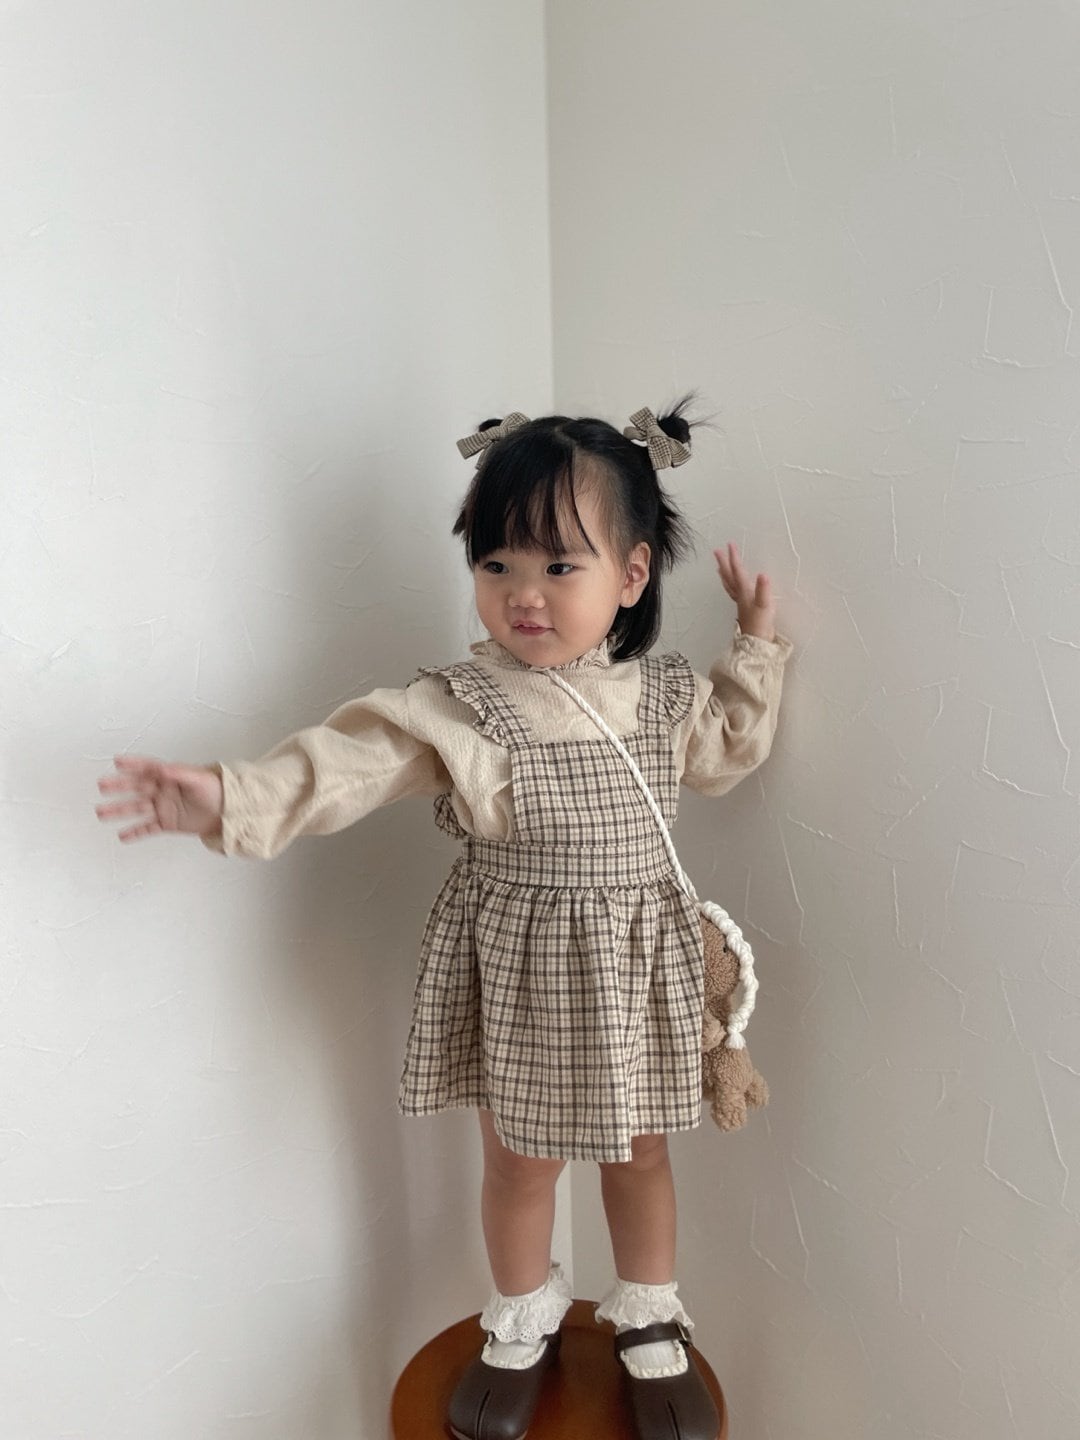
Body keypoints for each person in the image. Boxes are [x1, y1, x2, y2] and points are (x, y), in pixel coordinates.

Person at [96, 400, 793, 1440]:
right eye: (496, 562)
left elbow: (729, 747)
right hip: (520, 972)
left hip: (634, 969)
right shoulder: (464, 705)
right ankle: (521, 1314)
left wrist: (756, 642)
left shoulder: (663, 698)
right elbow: (352, 761)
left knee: (642, 1150)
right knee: (517, 1160)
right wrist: (230, 795)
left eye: (560, 565)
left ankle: (650, 1313)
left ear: (632, 575)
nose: (523, 592)